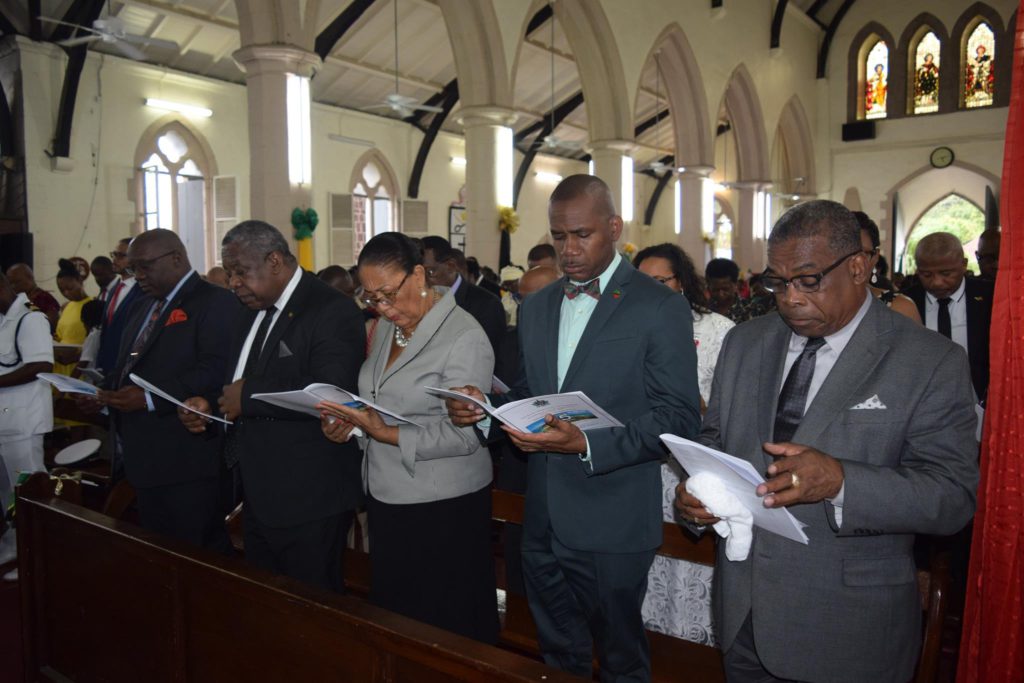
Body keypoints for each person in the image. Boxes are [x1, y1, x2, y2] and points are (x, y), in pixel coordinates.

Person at [675, 200, 978, 682]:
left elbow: (952, 497)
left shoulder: (927, 361)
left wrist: (842, 482)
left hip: (848, 629)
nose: (791, 298)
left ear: (859, 267)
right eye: (777, 281)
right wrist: (697, 492)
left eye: (808, 280)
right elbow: (717, 439)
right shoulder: (745, 343)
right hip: (745, 617)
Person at [446, 175, 701, 681]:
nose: (569, 249)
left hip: (613, 520)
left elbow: (678, 417)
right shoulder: (538, 306)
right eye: (560, 236)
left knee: (620, 660)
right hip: (542, 519)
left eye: (582, 234)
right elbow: (530, 394)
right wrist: (488, 411)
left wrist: (585, 441)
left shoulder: (657, 305)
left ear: (614, 228)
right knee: (557, 655)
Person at [318, 232, 499, 643]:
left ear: (418, 274)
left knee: (442, 628)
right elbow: (381, 398)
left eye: (387, 294)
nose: (381, 307)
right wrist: (352, 426)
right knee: (399, 623)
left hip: (442, 505)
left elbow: (466, 435)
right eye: (370, 298)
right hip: (387, 493)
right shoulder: (388, 326)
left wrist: (387, 432)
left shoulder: (463, 335)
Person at [178, 220, 365, 593]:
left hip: (308, 493)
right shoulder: (249, 307)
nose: (232, 283)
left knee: (310, 603)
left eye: (240, 272)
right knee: (267, 599)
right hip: (257, 488)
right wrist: (211, 404)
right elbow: (239, 379)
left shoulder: (330, 309)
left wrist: (244, 398)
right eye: (229, 273)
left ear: (275, 260)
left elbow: (330, 389)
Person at [79, 230, 240, 551]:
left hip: (186, 456)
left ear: (176, 259)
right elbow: (128, 368)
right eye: (131, 269)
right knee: (158, 550)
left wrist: (151, 398)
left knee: (196, 553)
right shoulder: (141, 306)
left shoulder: (215, 301)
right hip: (142, 455)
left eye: (144, 267)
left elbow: (216, 368)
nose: (137, 276)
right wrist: (101, 393)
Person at [632, 243, 732, 642]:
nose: (650, 289)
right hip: (643, 467)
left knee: (692, 569)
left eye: (660, 281)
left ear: (683, 282)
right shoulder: (626, 328)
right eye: (641, 282)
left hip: (695, 470)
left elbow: (732, 413)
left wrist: (693, 404)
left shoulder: (717, 330)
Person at [0, 272, 53, 579]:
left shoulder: (30, 319)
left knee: (30, 491)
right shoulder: (4, 320)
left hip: (24, 423)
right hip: (6, 422)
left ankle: (37, 555)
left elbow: (40, 366)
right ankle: (13, 544)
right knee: (8, 493)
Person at [903, 232, 993, 402]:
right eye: (927, 275)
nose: (937, 282)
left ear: (964, 264)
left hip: (981, 403)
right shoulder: (905, 303)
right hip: (922, 404)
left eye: (946, 273)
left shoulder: (989, 297)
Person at [421, 235, 506, 358]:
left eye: (429, 272)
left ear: (451, 266)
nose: (423, 282)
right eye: (417, 274)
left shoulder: (487, 304)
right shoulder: (420, 300)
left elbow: (488, 358)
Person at [852, 212, 921, 324]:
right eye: (842, 254)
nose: (854, 263)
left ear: (875, 256)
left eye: (862, 254)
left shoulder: (899, 308)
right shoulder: (816, 307)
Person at [96, 237, 144, 377]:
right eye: (114, 254)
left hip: (129, 367)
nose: (115, 259)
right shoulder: (113, 289)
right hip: (108, 366)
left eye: (121, 255)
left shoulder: (142, 291)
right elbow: (106, 331)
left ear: (135, 259)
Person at [53, 259, 93, 373]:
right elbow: (61, 334)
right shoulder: (66, 307)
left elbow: (95, 344)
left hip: (78, 364)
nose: (66, 293)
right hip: (60, 363)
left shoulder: (91, 305)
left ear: (80, 281)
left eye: (69, 288)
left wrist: (76, 357)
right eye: (61, 290)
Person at [706, 258, 770, 323]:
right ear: (708, 287)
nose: (721, 294)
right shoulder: (704, 310)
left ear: (736, 285)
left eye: (725, 289)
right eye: (715, 290)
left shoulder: (751, 309)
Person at [5, 263, 60, 333]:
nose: (13, 286)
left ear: (30, 277)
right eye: (10, 283)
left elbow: (50, 323)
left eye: (17, 282)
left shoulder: (44, 297)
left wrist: (27, 303)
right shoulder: (16, 299)